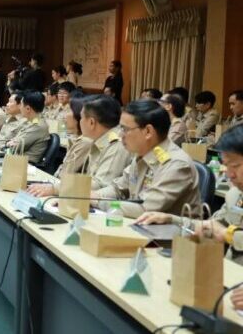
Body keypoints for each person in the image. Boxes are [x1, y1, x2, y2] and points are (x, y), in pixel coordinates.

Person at [136, 125, 243, 264]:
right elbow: (210, 226)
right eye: (226, 166)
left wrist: (229, 235)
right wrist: (170, 219)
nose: (229, 174)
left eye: (235, 166)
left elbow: (223, 232)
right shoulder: (235, 195)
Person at [92, 99, 201, 218]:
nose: (120, 135)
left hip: (167, 230)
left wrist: (98, 201)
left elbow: (144, 209)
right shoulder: (142, 154)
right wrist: (94, 196)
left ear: (148, 131)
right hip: (139, 226)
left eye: (125, 129)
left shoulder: (176, 164)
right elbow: (118, 188)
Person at [28, 97, 91, 197]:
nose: (65, 115)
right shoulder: (76, 139)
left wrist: (51, 187)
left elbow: (67, 173)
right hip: (58, 184)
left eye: (69, 110)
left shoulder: (84, 142)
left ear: (79, 116)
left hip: (65, 191)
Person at [6, 90, 50, 163]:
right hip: (16, 160)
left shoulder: (38, 126)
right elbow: (12, 140)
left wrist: (11, 142)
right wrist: (12, 142)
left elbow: (15, 147)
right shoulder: (31, 121)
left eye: (21, 104)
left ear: (28, 109)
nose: (20, 107)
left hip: (25, 164)